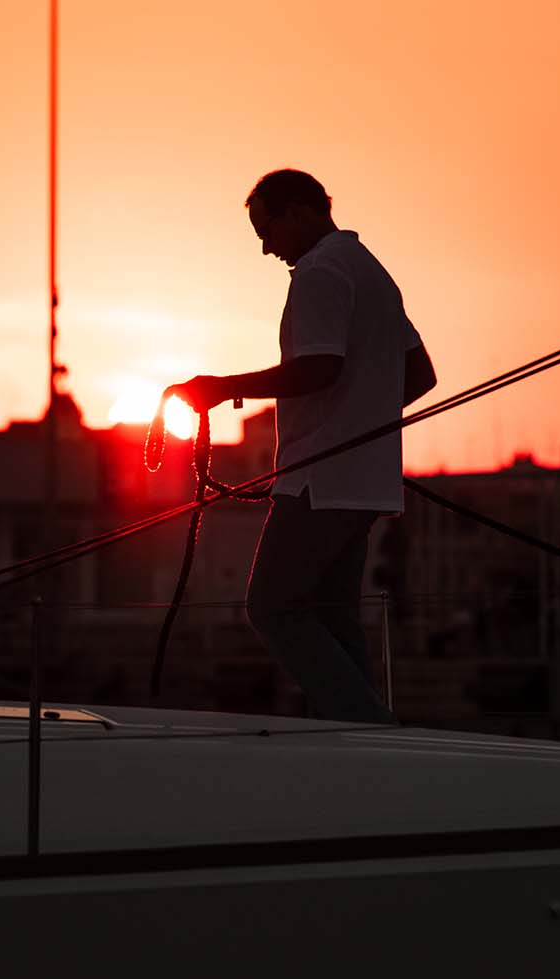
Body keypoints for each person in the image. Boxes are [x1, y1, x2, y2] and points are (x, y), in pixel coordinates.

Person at [166, 169, 436, 723]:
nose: (267, 249)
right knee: (335, 617)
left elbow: (317, 368)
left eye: (267, 231)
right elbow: (421, 375)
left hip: (319, 481)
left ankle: (368, 728)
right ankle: (369, 738)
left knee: (273, 606)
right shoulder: (372, 273)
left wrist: (222, 389)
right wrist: (362, 425)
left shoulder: (319, 271)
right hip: (365, 483)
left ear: (300, 213)